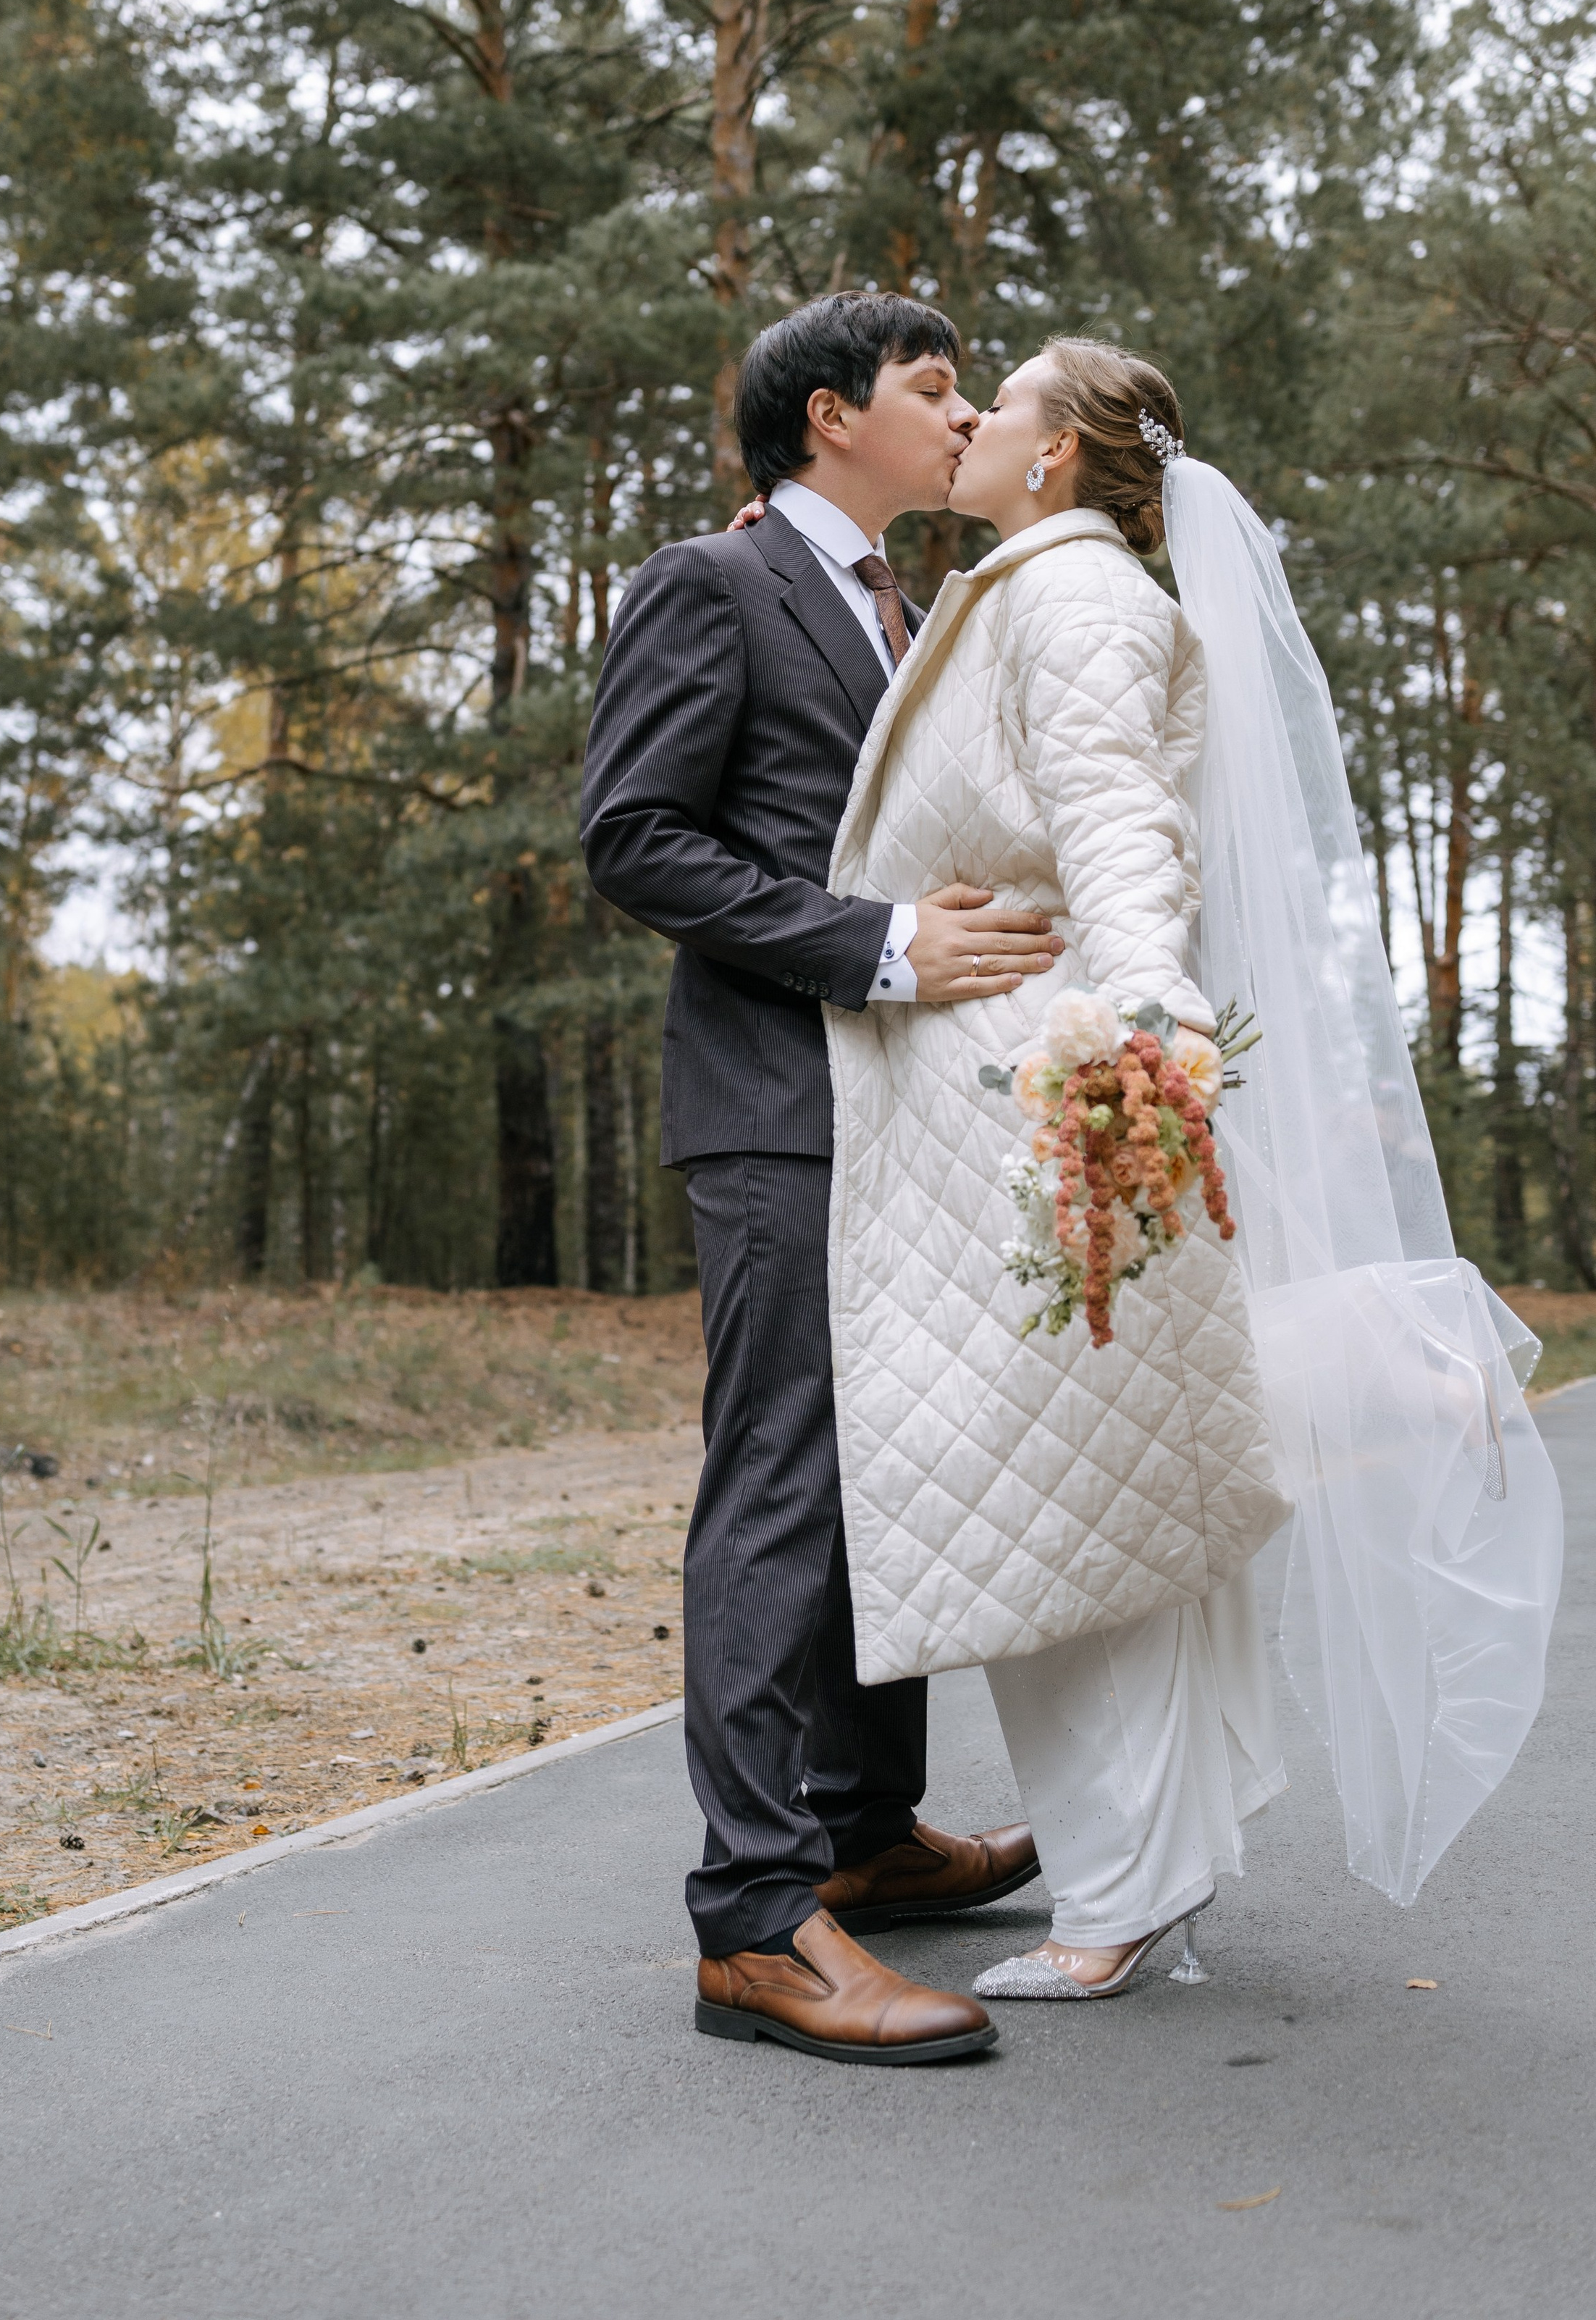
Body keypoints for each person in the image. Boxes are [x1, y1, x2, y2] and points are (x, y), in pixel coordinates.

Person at [819, 330, 1561, 2000]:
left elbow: (1118, 831)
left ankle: (1119, 1896)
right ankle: (1134, 1876)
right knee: (1092, 1494)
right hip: (999, 1104)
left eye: (998, 399)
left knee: (1066, 1505)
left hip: (1043, 1105)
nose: (967, 418)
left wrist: (1143, 1019)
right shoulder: (1021, 591)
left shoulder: (1075, 599)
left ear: (1055, 453)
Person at [579, 293, 1057, 2065]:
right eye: (934, 390)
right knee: (779, 1478)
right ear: (830, 415)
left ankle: (864, 1830)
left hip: (909, 1115)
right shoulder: (709, 582)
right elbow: (634, 836)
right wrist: (874, 947)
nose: (964, 417)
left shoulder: (910, 614)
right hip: (777, 1102)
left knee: (889, 1464)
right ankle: (753, 1918)